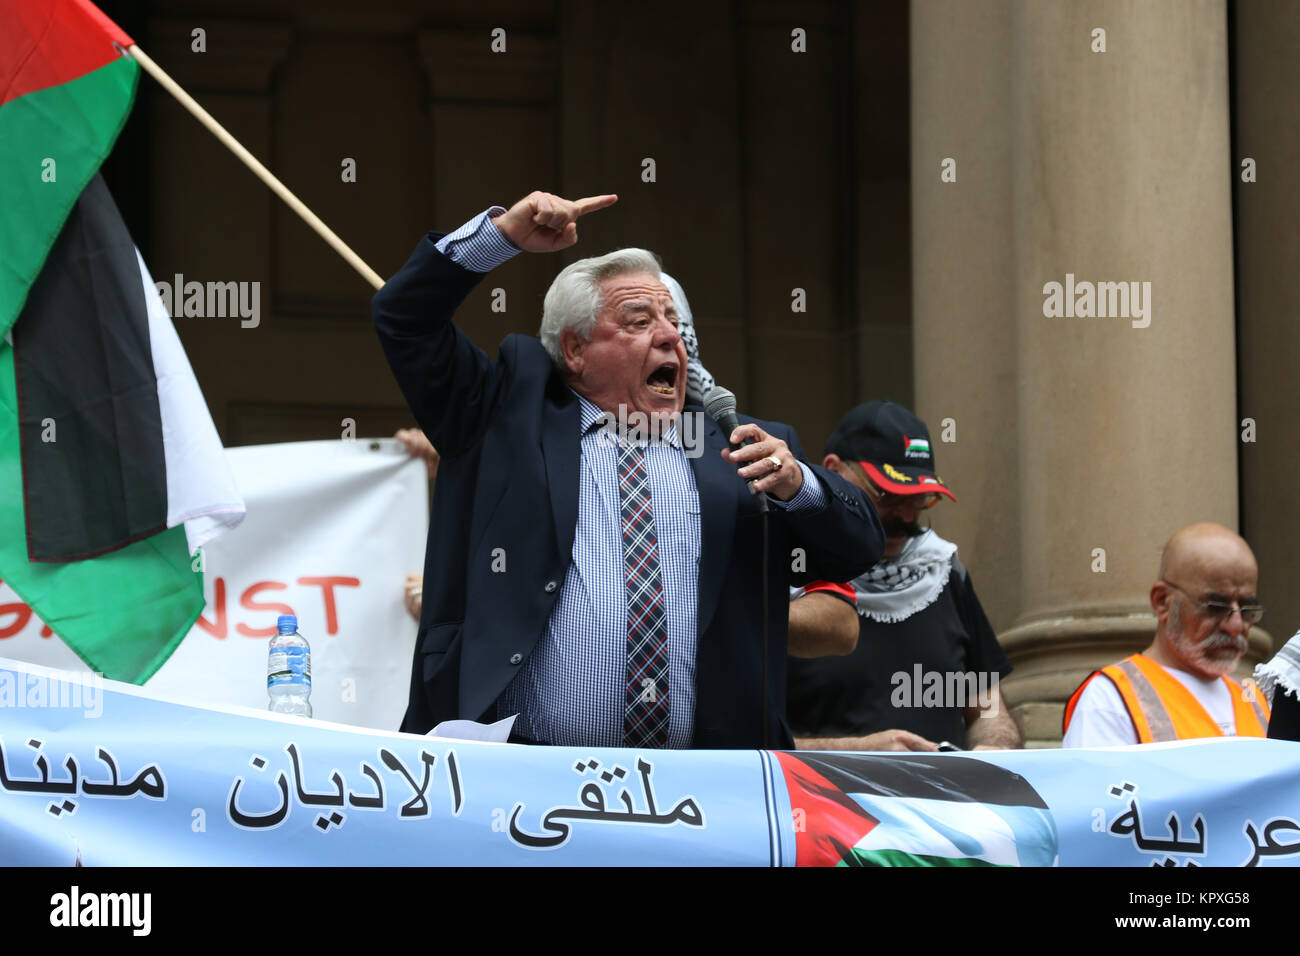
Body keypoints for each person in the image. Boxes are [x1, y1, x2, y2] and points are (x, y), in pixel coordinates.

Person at [371, 190, 884, 749]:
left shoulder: (747, 447)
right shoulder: (497, 416)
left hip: (707, 793)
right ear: (575, 350)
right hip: (519, 783)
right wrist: (505, 235)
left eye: (672, 321)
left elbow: (858, 547)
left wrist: (800, 486)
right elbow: (404, 316)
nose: (669, 337)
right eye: (639, 322)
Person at [786, 401, 1021, 752]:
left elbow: (985, 706)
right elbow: (743, 746)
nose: (907, 514)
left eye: (920, 498)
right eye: (889, 495)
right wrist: (860, 755)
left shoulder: (943, 570)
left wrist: (993, 750)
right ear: (834, 470)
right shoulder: (786, 573)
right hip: (821, 802)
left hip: (945, 803)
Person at [1062, 522, 1271, 746]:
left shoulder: (1257, 701)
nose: (1236, 626)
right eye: (1216, 607)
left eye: (1247, 609)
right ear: (1162, 602)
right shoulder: (1109, 699)